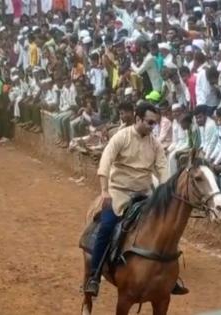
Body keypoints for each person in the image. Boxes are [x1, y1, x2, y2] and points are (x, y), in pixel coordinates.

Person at [84, 103, 187, 297]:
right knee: (106, 227)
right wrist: (104, 191)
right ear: (138, 119)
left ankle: (169, 277)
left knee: (165, 227)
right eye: (149, 122)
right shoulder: (121, 137)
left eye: (155, 124)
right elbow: (105, 162)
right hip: (119, 193)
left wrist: (166, 195)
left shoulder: (155, 144)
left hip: (144, 194)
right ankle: (95, 275)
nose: (152, 127)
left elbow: (163, 170)